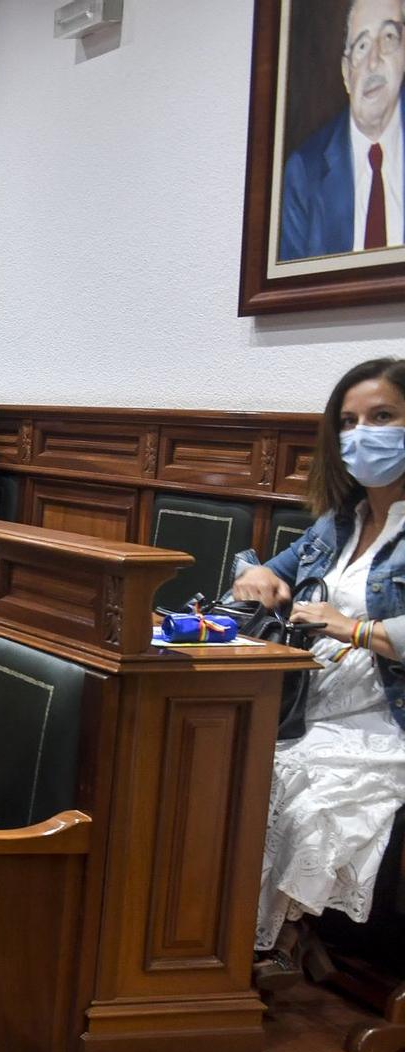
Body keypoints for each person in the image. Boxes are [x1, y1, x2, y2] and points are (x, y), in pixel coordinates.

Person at [232, 357, 405, 991]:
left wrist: (351, 627)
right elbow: (261, 571)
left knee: (302, 797)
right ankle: (248, 941)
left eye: (383, 417)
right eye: (350, 422)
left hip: (385, 726)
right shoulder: (342, 522)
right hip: (312, 710)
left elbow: (354, 624)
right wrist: (255, 574)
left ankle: (271, 940)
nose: (364, 434)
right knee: (236, 774)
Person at [279, 0, 404, 262]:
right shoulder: (303, 175)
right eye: (362, 46)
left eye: (388, 37)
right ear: (346, 74)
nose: (373, 62)